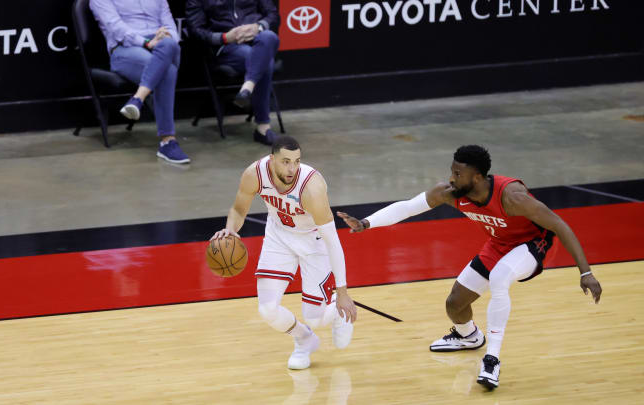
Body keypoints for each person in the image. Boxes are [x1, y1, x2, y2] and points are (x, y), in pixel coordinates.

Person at [337, 145, 602, 390]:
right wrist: (365, 223)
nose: (451, 178)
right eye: (452, 172)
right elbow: (407, 208)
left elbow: (560, 225)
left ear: (476, 177)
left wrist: (586, 272)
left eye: (457, 173)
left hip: (534, 244)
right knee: (454, 304)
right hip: (499, 243)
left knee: (499, 278)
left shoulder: (512, 197)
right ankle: (469, 336)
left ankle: (492, 360)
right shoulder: (452, 194)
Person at [210, 136, 356, 369]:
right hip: (279, 237)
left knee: (315, 318)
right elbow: (238, 209)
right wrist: (230, 231)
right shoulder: (254, 174)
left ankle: (335, 308)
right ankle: (304, 340)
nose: (292, 169)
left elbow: (333, 241)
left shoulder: (311, 188)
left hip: (313, 244)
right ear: (271, 160)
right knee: (267, 309)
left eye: (296, 161)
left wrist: (343, 291)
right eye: (286, 162)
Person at [90, 0, 190, 164]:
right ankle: (167, 141)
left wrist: (165, 37)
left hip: (162, 47)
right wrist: (146, 43)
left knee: (170, 44)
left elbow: (171, 26)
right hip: (126, 49)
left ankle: (138, 98)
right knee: (168, 71)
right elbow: (116, 28)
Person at [186, 0, 280, 146]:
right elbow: (195, 30)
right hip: (226, 47)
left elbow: (273, 15)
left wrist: (258, 27)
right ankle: (263, 128)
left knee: (269, 37)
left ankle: (248, 86)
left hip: (257, 39)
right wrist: (224, 37)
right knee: (263, 59)